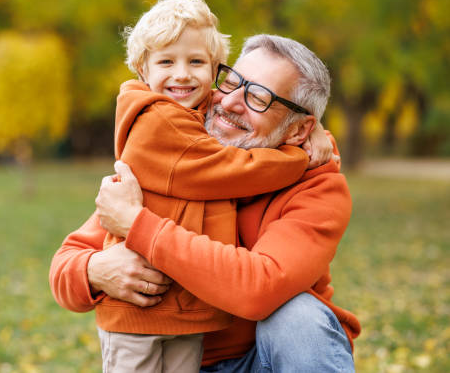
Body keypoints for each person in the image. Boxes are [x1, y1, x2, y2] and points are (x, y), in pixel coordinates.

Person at [50, 33, 360, 372]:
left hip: (258, 360)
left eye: (258, 97)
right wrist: (95, 270)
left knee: (299, 318)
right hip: (178, 361)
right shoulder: (183, 151)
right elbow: (64, 266)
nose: (229, 103)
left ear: (300, 131)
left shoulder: (317, 186)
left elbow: (259, 288)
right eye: (231, 82)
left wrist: (139, 226)